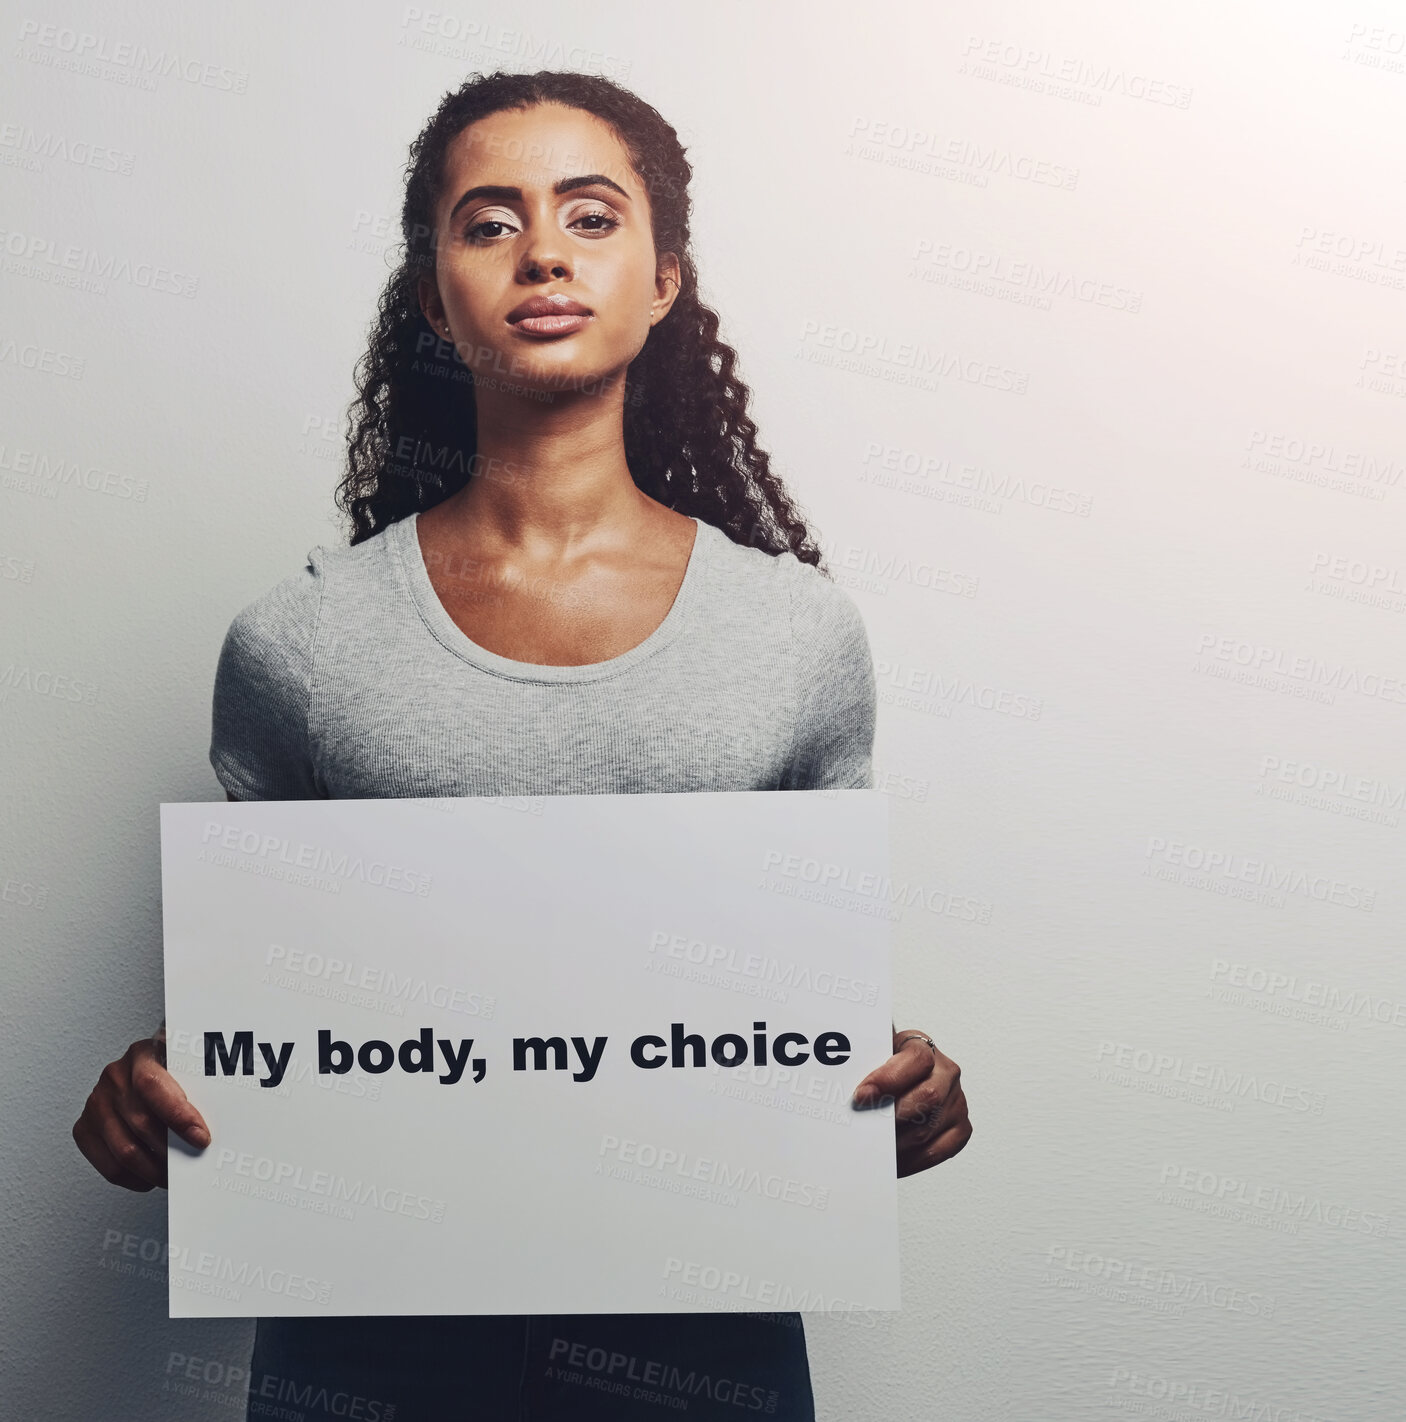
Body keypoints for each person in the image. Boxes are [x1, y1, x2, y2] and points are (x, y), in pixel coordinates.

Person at [72, 69, 972, 1420]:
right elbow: (280, 1020)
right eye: (488, 221)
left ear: (665, 276)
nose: (542, 250)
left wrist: (894, 1091)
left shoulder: (796, 637)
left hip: (703, 1358)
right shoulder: (297, 648)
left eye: (590, 216)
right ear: (432, 295)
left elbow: (787, 1013)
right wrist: (150, 1096)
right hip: (365, 1361)